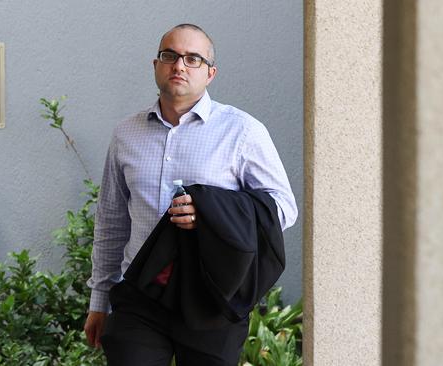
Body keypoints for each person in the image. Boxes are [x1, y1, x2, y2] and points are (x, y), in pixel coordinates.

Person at [84, 24, 298, 366]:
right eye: (170, 55)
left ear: (210, 73)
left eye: (193, 58)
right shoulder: (127, 134)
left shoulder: (243, 131)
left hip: (212, 296)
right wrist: (99, 301)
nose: (179, 65)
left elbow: (284, 208)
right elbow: (111, 221)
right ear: (155, 65)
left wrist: (213, 215)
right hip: (140, 295)